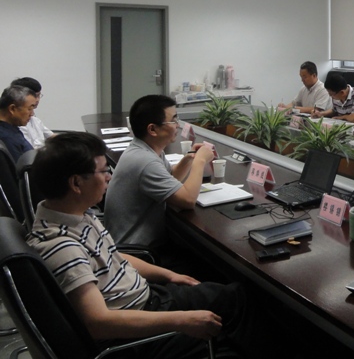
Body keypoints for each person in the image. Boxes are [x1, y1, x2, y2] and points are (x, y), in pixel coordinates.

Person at [26, 132, 253, 359]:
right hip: (133, 334)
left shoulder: (73, 213)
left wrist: (168, 275)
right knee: (236, 311)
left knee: (235, 296)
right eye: (103, 171)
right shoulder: (63, 247)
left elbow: (113, 256)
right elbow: (98, 322)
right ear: (76, 183)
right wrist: (181, 320)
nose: (109, 177)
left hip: (144, 297)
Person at [104, 95, 215, 255]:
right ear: (152, 129)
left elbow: (169, 178)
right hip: (138, 253)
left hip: (137, 246)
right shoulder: (145, 161)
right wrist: (200, 161)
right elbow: (188, 200)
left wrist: (189, 158)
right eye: (173, 121)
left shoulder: (145, 149)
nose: (178, 125)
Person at [11, 77, 53, 149]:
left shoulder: (35, 120)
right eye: (35, 96)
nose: (37, 100)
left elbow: (52, 136)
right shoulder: (16, 122)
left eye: (39, 95)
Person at [0, 85, 36, 161]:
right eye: (30, 109)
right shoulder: (7, 138)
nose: (32, 114)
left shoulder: (11, 128)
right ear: (12, 109)